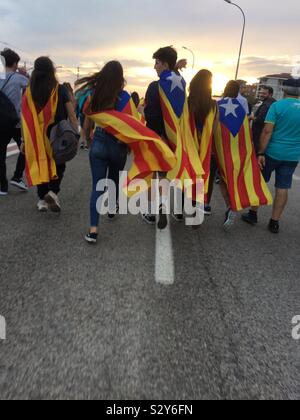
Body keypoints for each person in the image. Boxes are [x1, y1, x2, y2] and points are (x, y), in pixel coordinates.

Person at [81, 61, 176, 244]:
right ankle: (113, 208)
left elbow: (87, 120)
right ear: (120, 78)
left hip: (99, 142)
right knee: (114, 179)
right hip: (118, 146)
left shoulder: (95, 95)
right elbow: (135, 125)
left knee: (96, 187)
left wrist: (87, 138)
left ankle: (93, 230)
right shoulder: (125, 98)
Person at [242, 78, 300, 233]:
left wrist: (261, 152)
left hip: (272, 152)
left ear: (284, 90)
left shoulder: (277, 106)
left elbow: (267, 131)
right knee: (283, 187)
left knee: (260, 181)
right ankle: (274, 222)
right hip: (292, 156)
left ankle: (253, 213)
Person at [21, 57, 78, 212]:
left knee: (40, 164)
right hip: (57, 135)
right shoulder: (60, 89)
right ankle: (53, 191)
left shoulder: (28, 92)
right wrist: (76, 132)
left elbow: (24, 118)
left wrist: (23, 140)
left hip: (36, 137)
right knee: (59, 163)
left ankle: (42, 199)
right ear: (52, 71)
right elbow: (71, 113)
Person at [215, 81, 272, 231]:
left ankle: (230, 205)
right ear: (238, 91)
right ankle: (233, 205)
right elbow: (246, 125)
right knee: (237, 177)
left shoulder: (218, 104)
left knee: (223, 179)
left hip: (223, 146)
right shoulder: (243, 104)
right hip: (240, 146)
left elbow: (214, 124)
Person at [188, 69, 218, 216]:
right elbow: (215, 128)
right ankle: (201, 204)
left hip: (190, 146)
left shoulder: (188, 102)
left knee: (188, 175)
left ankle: (183, 210)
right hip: (206, 148)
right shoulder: (213, 105)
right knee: (206, 176)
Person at [0, 48, 29, 196]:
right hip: (15, 122)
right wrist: (25, 74)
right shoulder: (18, 78)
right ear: (15, 63)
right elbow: (32, 86)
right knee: (26, 148)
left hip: (0, 123)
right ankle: (17, 176)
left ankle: (2, 186)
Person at [250, 86, 276, 153]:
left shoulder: (266, 105)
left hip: (260, 135)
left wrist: (251, 117)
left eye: (264, 93)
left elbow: (260, 120)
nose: (261, 95)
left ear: (270, 94)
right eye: (260, 93)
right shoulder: (275, 103)